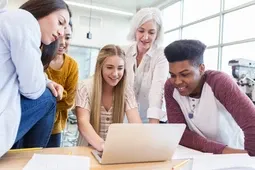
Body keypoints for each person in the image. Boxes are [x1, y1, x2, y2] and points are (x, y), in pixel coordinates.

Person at [0, 0, 71, 156]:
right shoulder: (24, 20)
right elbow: (32, 90)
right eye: (60, 22)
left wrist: (45, 80)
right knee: (48, 98)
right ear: (43, 8)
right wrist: (45, 83)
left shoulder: (8, 21)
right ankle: (30, 159)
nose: (60, 33)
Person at [164, 39, 255, 156]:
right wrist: (221, 150)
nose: (177, 81)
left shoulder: (219, 83)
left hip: (234, 154)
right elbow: (179, 132)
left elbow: (252, 124)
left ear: (201, 69)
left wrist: (249, 157)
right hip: (198, 153)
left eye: (185, 74)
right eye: (172, 75)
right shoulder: (170, 87)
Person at [75, 45, 142, 152]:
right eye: (109, 67)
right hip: (87, 149)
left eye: (120, 68)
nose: (115, 74)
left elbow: (136, 124)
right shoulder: (84, 87)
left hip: (114, 151)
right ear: (100, 67)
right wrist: (103, 146)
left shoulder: (126, 90)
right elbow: (83, 122)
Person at [124, 8, 168, 123]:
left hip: (149, 118)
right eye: (141, 31)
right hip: (125, 118)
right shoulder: (124, 52)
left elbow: (157, 90)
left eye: (151, 32)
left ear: (157, 34)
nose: (145, 37)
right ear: (135, 30)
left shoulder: (161, 55)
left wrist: (153, 124)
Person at [45, 21, 79, 147]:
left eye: (68, 37)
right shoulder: (40, 58)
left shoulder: (72, 65)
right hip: (33, 123)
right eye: (59, 37)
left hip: (55, 128)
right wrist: (59, 95)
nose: (63, 42)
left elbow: (69, 101)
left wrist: (46, 98)